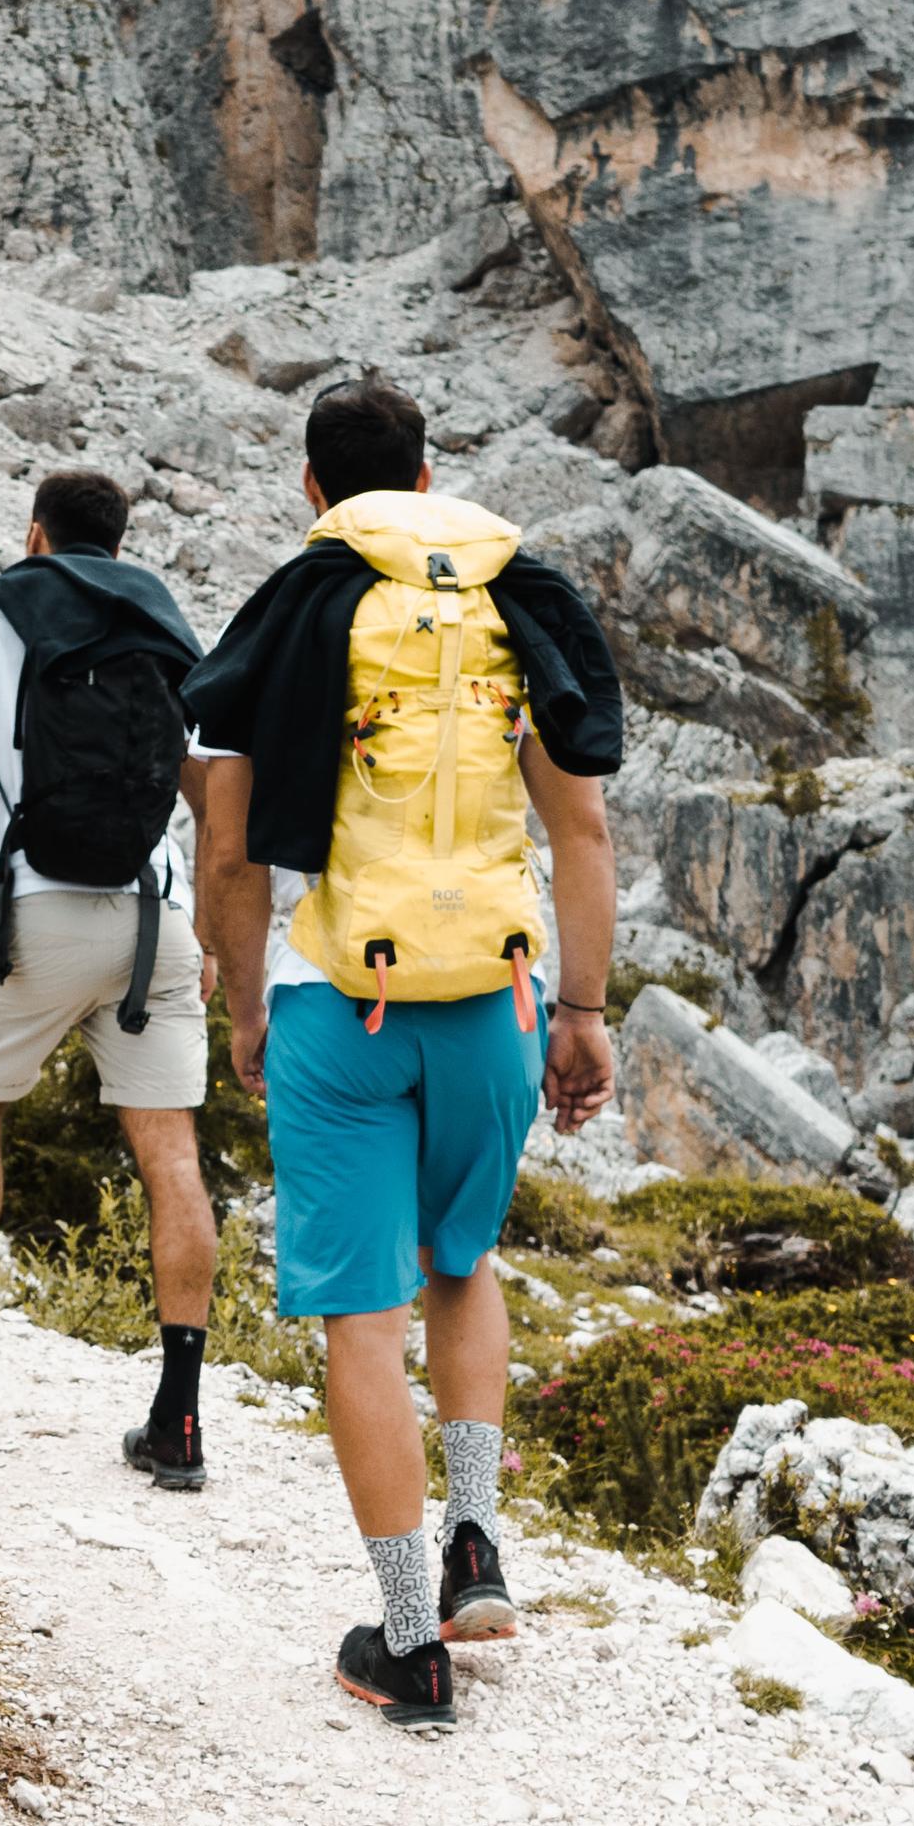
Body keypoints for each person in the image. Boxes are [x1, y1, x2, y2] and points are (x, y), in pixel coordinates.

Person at [186, 380, 622, 1729]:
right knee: (464, 1261)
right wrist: (584, 1011)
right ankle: (477, 1539)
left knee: (362, 1319)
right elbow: (583, 837)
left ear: (312, 493)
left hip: (337, 998)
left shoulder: (299, 605)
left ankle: (405, 1639)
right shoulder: (508, 602)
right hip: (495, 993)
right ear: (430, 476)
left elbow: (231, 847)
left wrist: (247, 1003)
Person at [0, 469, 222, 1493]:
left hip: (31, 912)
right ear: (118, 545)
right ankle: (178, 1417)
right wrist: (206, 930)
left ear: (36, 535)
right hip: (151, 917)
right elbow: (216, 794)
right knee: (171, 1155)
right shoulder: (167, 626)